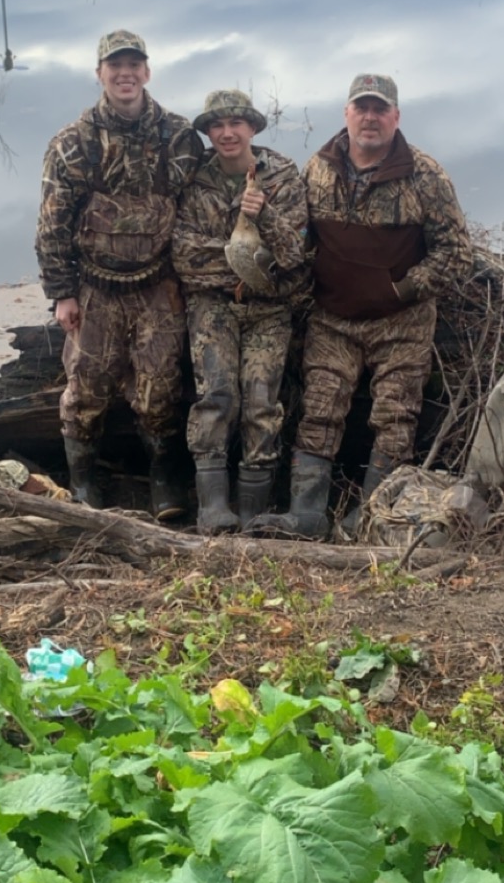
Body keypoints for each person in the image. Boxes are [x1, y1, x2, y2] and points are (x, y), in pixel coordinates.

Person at [253, 73, 473, 539]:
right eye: (362, 108)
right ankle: (307, 516)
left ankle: (372, 518)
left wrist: (402, 291)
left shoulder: (426, 175)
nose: (370, 118)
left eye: (380, 109)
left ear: (395, 117)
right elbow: (298, 239)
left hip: (402, 323)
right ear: (346, 114)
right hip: (333, 320)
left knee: (395, 418)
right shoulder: (317, 170)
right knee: (319, 410)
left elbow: (456, 253)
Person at [35, 29, 202, 518]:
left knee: (161, 389)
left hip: (159, 285)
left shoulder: (180, 135)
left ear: (147, 72)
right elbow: (52, 224)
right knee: (85, 388)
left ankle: (165, 477)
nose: (125, 73)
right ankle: (84, 480)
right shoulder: (72, 143)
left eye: (134, 64)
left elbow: (197, 209)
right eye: (115, 65)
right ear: (100, 74)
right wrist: (62, 293)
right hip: (94, 287)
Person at [172, 89, 310, 533]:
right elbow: (184, 255)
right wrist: (248, 260)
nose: (227, 133)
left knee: (260, 400)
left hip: (269, 309)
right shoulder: (194, 179)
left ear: (252, 128)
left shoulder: (284, 175)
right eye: (217, 125)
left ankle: (255, 512)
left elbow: (295, 254)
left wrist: (265, 216)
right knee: (216, 395)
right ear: (208, 132)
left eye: (236, 124)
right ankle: (212, 508)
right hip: (212, 306)